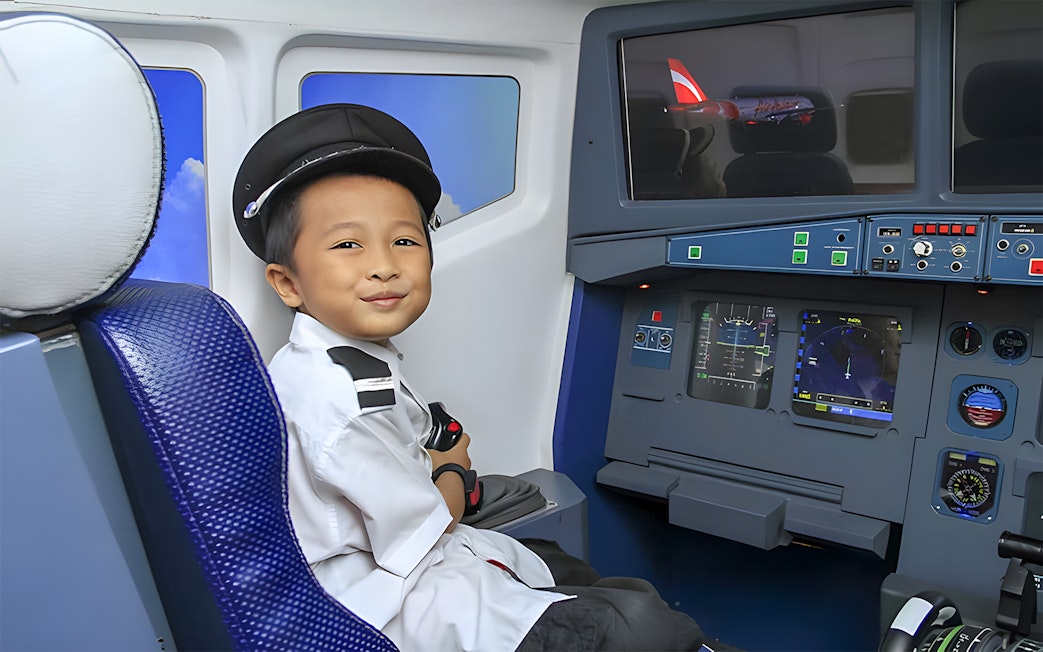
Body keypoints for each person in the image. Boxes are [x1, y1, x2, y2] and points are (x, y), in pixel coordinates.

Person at [232, 103, 736, 651]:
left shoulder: (338, 361)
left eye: (404, 241)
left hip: (409, 561)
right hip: (396, 604)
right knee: (639, 626)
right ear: (287, 283)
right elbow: (426, 528)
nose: (384, 264)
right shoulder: (345, 402)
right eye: (347, 245)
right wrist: (452, 469)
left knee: (559, 561)